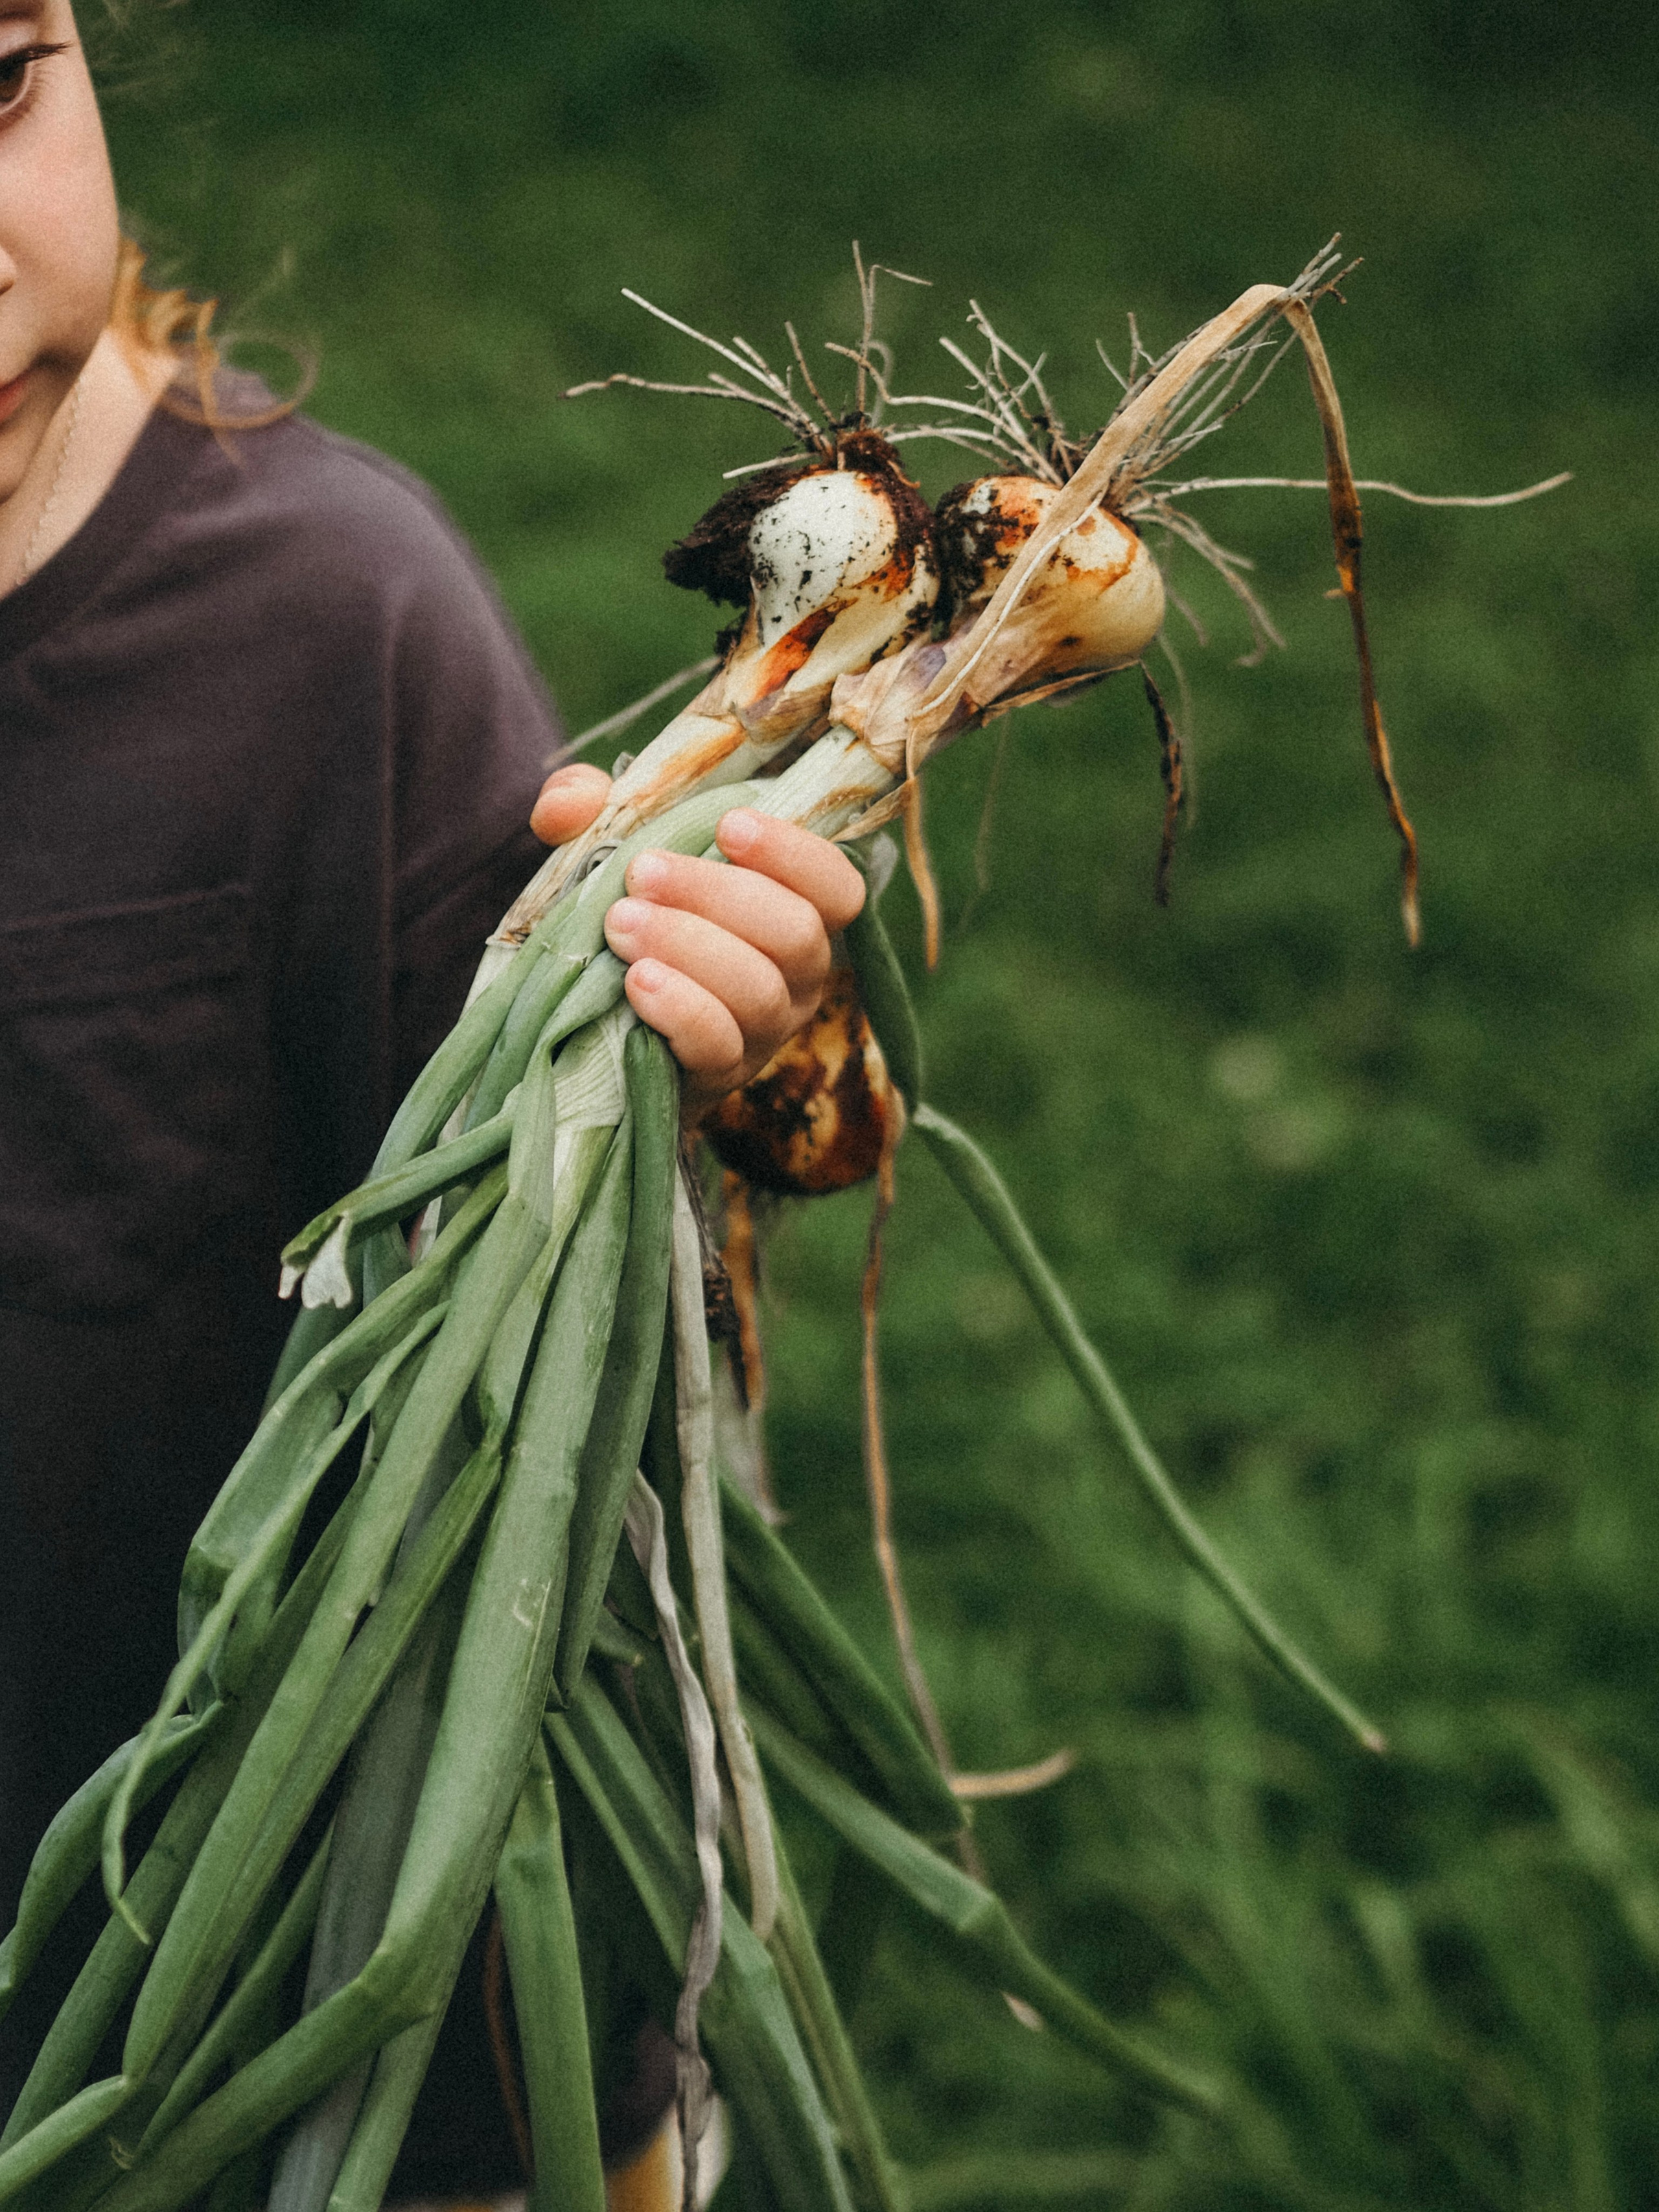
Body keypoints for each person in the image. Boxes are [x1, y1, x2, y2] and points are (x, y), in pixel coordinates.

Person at [0, 1, 864, 2193]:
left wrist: (744, 1047)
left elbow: (606, 1311)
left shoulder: (326, 632)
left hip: (293, 1996)